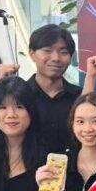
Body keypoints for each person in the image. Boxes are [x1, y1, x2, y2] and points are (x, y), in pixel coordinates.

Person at [24, 24, 82, 153]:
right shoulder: (20, 96)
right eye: (47, 50)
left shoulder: (79, 97)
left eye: (63, 52)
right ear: (32, 54)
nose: (56, 58)